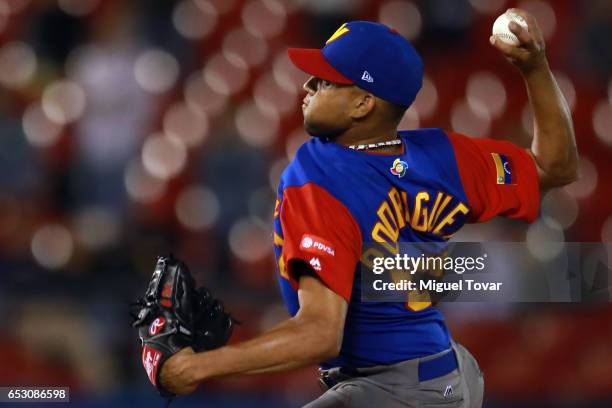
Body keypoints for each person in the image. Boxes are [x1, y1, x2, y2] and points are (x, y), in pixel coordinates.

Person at [159, 9, 578, 407]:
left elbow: (320, 334)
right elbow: (555, 166)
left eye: (324, 81)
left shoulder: (320, 173)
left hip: (395, 388)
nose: (306, 87)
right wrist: (535, 68)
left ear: (363, 104)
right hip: (449, 372)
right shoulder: (444, 157)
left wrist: (197, 366)